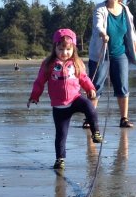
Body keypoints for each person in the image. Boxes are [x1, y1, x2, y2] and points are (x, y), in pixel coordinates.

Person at [28, 28, 103, 170]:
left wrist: (90, 88)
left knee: (89, 107)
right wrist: (34, 96)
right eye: (61, 49)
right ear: (55, 48)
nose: (64, 53)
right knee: (61, 135)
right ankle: (60, 159)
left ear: (73, 49)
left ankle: (95, 132)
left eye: (68, 49)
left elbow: (83, 78)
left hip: (75, 99)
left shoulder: (76, 63)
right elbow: (39, 81)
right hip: (59, 106)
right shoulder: (48, 64)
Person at [87, 0, 136, 129]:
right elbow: (98, 25)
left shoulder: (126, 10)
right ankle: (89, 119)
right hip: (101, 53)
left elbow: (131, 32)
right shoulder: (100, 9)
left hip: (120, 54)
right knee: (95, 86)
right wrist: (103, 34)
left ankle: (124, 119)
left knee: (122, 86)